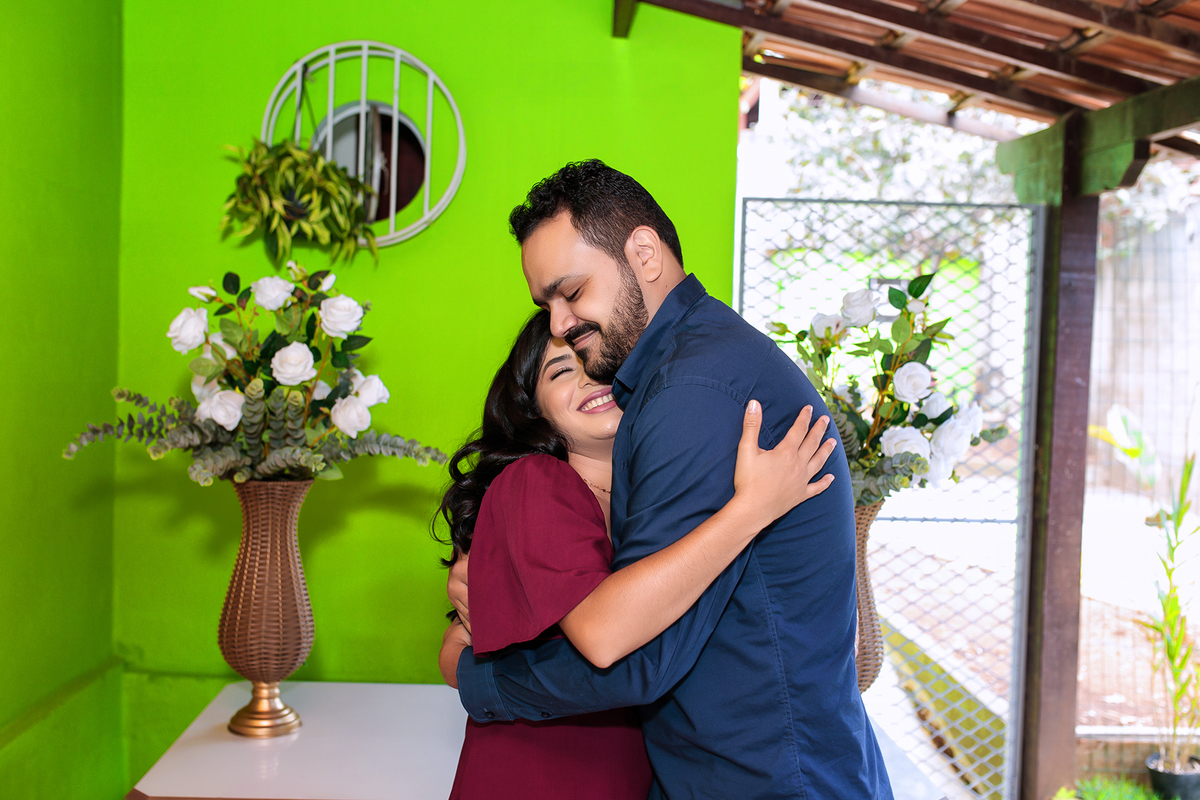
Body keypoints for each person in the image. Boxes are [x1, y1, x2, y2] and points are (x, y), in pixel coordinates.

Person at [444, 159, 894, 799]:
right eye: (547, 304)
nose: (560, 323)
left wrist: (476, 675)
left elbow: (633, 655)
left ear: (645, 254)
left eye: (572, 291)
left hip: (759, 782)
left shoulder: (691, 390)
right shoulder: (692, 368)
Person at [438, 309, 837, 799]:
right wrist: (752, 509)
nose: (588, 377)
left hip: (635, 772)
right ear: (533, 410)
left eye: (597, 363)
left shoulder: (651, 504)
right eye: (560, 371)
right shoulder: (538, 481)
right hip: (540, 775)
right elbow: (603, 638)